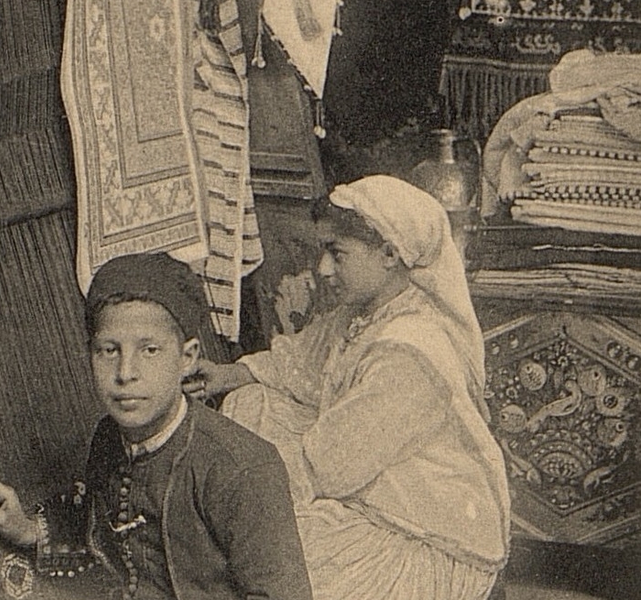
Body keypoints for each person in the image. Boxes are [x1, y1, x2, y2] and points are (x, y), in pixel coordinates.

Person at [186, 175, 511, 600]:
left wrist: (228, 486)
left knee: (260, 553)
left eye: (337, 253)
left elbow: (327, 466)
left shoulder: (409, 351)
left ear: (390, 253)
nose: (323, 269)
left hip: (424, 536)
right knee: (252, 402)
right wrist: (231, 374)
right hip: (366, 477)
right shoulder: (365, 311)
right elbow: (299, 365)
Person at [0, 252, 312, 600]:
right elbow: (107, 538)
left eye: (149, 350)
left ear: (187, 358)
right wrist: (29, 531)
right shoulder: (108, 439)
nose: (125, 373)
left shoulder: (243, 470)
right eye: (109, 350)